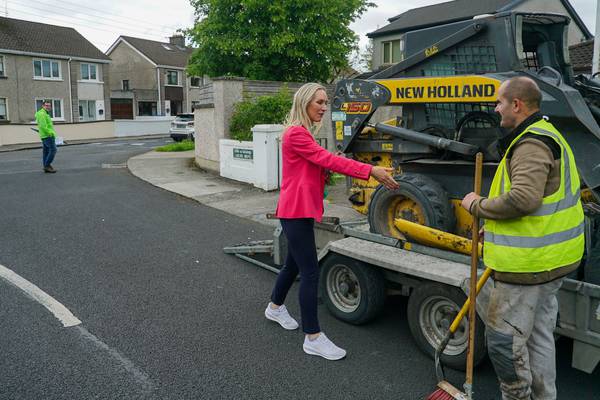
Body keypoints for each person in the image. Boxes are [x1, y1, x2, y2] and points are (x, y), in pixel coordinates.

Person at [461, 77, 584, 399]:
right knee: (538, 337)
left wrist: (477, 206)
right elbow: (544, 200)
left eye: (499, 102)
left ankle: (517, 395)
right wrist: (497, 226)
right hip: (553, 261)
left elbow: (523, 199)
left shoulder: (531, 143)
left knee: (505, 342)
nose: (495, 108)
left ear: (517, 104)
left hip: (527, 267)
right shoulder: (549, 133)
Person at [264, 83, 399, 360]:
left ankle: (275, 307)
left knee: (293, 263)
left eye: (326, 102)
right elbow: (324, 159)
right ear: (305, 103)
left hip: (298, 208)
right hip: (295, 211)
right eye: (320, 103)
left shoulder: (302, 134)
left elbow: (318, 165)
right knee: (310, 271)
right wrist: (370, 169)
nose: (325, 108)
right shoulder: (297, 134)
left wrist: (325, 171)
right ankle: (312, 337)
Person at [34, 100, 58, 173]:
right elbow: (43, 126)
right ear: (43, 106)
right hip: (47, 135)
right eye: (46, 105)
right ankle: (47, 165)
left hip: (45, 135)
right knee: (53, 150)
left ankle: (46, 166)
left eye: (49, 105)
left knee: (46, 151)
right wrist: (50, 133)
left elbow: (45, 125)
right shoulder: (42, 114)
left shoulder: (45, 113)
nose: (48, 107)